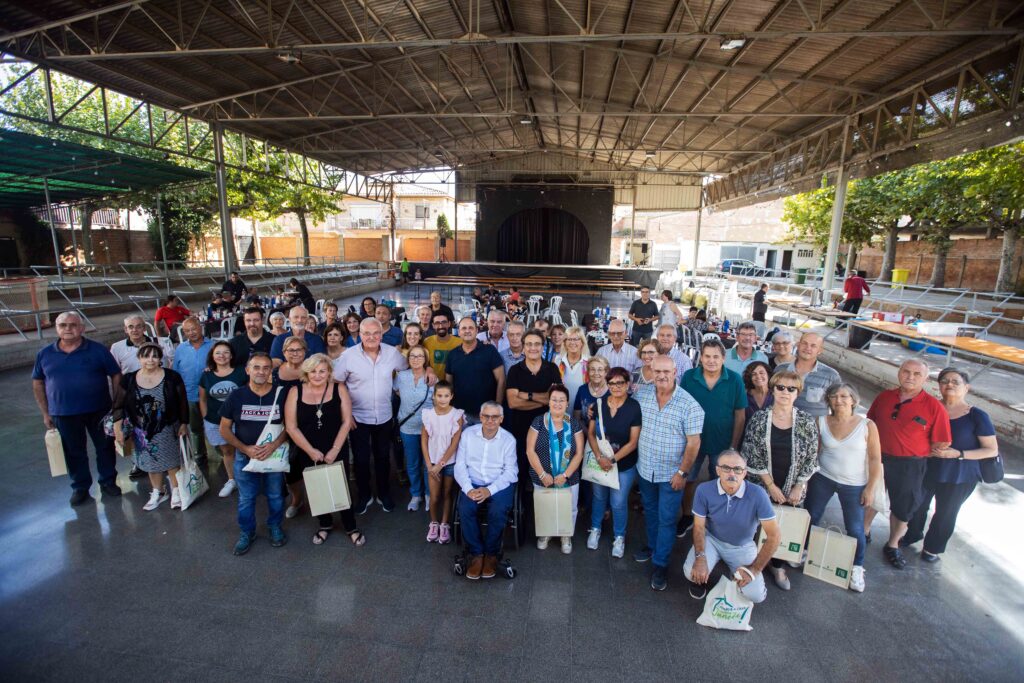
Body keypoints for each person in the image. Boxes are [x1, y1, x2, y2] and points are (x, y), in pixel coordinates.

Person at [904, 368, 998, 563]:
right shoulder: (930, 408)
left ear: (967, 387)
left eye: (956, 381)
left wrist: (959, 454)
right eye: (945, 381)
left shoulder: (976, 416)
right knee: (917, 505)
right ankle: (912, 534)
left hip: (960, 474)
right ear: (939, 385)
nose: (949, 385)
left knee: (946, 512)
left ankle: (932, 548)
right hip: (927, 467)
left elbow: (990, 450)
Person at [866, 359, 952, 570]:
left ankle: (893, 544)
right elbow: (869, 423)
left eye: (916, 374)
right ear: (899, 373)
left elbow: (943, 440)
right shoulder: (885, 397)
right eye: (906, 372)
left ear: (925, 378)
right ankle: (863, 531)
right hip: (878, 457)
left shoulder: (933, 406)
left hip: (910, 464)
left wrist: (920, 450)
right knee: (870, 496)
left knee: (903, 507)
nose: (910, 377)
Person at [32, 311, 122, 506]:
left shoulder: (98, 350)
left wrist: (116, 403)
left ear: (82, 328)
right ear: (56, 329)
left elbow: (116, 374)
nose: (68, 329)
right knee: (74, 451)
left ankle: (108, 481)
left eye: (73, 325)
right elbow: (38, 382)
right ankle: (80, 487)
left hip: (100, 410)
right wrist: (45, 412)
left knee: (105, 446)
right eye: (63, 325)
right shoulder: (45, 354)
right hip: (63, 413)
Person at [743, 369, 819, 591]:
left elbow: (812, 455)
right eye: (781, 387)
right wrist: (770, 486)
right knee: (756, 526)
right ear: (773, 389)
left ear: (798, 393)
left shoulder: (805, 421)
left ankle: (777, 565)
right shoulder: (759, 419)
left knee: (783, 527)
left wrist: (799, 485)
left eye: (791, 389)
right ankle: (753, 565)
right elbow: (751, 453)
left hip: (792, 488)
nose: (785, 392)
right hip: (762, 485)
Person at [633, 356, 704, 591]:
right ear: (651, 371)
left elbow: (694, 444)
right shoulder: (642, 396)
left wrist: (683, 473)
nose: (662, 375)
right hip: (645, 469)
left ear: (675, 372)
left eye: (666, 371)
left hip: (672, 474)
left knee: (666, 519)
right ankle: (653, 547)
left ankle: (661, 564)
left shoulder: (690, 404)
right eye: (657, 371)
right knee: (650, 511)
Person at [804, 383, 882, 592]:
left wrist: (870, 488)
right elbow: (815, 452)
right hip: (824, 477)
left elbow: (875, 459)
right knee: (811, 515)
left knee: (855, 527)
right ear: (828, 400)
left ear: (853, 400)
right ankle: (804, 551)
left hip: (854, 484)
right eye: (834, 396)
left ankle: (857, 567)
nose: (839, 400)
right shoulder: (821, 421)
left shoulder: (867, 425)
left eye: (844, 396)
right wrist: (805, 479)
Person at [333, 318, 412, 514]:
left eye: (375, 333)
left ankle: (384, 494)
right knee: (360, 459)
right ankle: (364, 495)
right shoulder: (348, 356)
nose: (371, 337)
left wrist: (427, 368)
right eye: (366, 333)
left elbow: (408, 369)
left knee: (383, 457)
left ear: (381, 334)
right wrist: (346, 414)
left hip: (384, 416)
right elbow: (337, 383)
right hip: (357, 417)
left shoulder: (392, 353)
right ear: (359, 335)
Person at [284, 353, 362, 547]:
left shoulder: (339, 388)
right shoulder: (295, 391)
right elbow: (291, 427)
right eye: (313, 371)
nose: (317, 375)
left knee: (341, 487)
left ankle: (350, 526)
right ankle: (324, 525)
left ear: (329, 372)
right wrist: (310, 451)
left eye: (322, 371)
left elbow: (346, 422)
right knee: (316, 488)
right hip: (307, 448)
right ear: (306, 373)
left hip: (336, 446)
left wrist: (335, 449)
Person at [683, 450, 779, 604]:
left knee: (756, 596)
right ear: (717, 470)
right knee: (691, 572)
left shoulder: (758, 494)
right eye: (726, 468)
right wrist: (700, 557)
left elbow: (774, 536)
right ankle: (705, 578)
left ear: (745, 472)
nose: (732, 473)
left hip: (742, 546)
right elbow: (699, 527)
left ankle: (736, 572)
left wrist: (754, 569)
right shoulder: (704, 490)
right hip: (712, 540)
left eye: (738, 469)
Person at [219, 353, 290, 555]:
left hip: (273, 456)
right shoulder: (237, 395)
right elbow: (224, 429)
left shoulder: (280, 394)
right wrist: (245, 449)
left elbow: (290, 426)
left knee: (276, 496)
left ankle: (275, 526)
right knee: (246, 498)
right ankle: (246, 532)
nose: (261, 371)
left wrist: (274, 445)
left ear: (271, 371)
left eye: (266, 367)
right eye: (256, 367)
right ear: (248, 370)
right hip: (244, 456)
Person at [679, 338, 748, 536]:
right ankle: (686, 515)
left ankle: (715, 519)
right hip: (694, 441)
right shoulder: (689, 377)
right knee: (689, 478)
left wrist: (733, 446)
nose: (711, 361)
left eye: (716, 357)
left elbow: (740, 415)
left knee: (719, 481)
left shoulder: (734, 379)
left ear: (723, 358)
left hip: (723, 442)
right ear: (700, 357)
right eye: (707, 356)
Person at [112, 343, 189, 510]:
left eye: (155, 356)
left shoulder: (172, 376)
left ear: (160, 358)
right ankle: (158, 492)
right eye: (146, 356)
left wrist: (184, 422)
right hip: (141, 430)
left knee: (172, 461)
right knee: (149, 462)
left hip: (168, 426)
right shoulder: (129, 379)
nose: (150, 360)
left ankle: (176, 490)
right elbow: (118, 405)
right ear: (139, 358)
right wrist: (118, 429)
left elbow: (182, 401)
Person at [454, 402, 518, 580]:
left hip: (498, 484)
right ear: (480, 417)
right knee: (465, 509)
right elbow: (460, 465)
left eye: (495, 417)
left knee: (498, 511)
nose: (490, 420)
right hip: (472, 482)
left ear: (501, 419)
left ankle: (491, 554)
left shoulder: (508, 440)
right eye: (486, 416)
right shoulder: (468, 435)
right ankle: (476, 554)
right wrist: (468, 489)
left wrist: (490, 490)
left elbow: (511, 472)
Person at [586, 367, 642, 557]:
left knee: (618, 502)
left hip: (623, 464)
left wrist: (611, 460)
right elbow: (591, 434)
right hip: (600, 461)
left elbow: (633, 442)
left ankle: (619, 536)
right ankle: (595, 528)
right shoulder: (598, 404)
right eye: (611, 383)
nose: (616, 387)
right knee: (599, 497)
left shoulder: (634, 407)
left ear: (628, 384)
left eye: (620, 383)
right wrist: (599, 457)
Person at [527, 383, 585, 555]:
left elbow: (579, 453)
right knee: (545, 504)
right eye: (554, 400)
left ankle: (565, 535)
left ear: (567, 403)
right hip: (542, 476)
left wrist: (565, 475)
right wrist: (542, 474)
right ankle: (546, 533)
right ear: (548, 401)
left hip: (569, 477)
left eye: (562, 400)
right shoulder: (538, 421)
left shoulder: (573, 424)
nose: (558, 403)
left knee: (570, 507)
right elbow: (530, 450)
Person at [199, 341, 249, 498]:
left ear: (232, 355)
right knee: (227, 451)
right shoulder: (206, 375)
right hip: (216, 421)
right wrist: (206, 416)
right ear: (212, 356)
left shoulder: (241, 372)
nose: (222, 356)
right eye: (218, 353)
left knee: (244, 450)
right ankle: (232, 479)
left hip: (240, 420)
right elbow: (202, 399)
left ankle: (248, 480)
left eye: (226, 352)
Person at [421, 380, 465, 544]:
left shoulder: (457, 415)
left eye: (446, 396)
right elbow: (424, 440)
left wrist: (441, 464)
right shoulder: (428, 415)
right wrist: (429, 465)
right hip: (432, 463)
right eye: (439, 395)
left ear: (451, 396)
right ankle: (434, 523)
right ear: (433, 396)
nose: (442, 399)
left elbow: (455, 442)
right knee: (434, 496)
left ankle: (445, 524)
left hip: (449, 463)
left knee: (447, 494)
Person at [394, 345, 434, 512]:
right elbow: (396, 391)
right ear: (408, 359)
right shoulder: (401, 376)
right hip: (408, 427)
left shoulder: (432, 378)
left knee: (427, 463)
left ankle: (428, 494)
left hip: (427, 429)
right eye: (412, 356)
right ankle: (416, 494)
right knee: (412, 463)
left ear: (425, 360)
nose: (416, 359)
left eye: (420, 356)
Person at [445, 317, 505, 425]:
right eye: (464, 328)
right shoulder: (452, 355)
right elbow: (449, 384)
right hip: (460, 415)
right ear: (459, 332)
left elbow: (501, 380)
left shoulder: (489, 351)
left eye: (470, 328)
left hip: (485, 415)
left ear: (477, 331)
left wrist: (497, 408)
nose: (467, 331)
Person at [172, 317, 213, 465]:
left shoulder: (213, 346)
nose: (192, 333)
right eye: (187, 330)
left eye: (194, 329)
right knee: (195, 427)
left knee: (214, 424)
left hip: (210, 395)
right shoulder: (181, 349)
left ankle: (224, 451)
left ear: (200, 327)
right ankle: (200, 453)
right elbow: (175, 372)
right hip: (189, 395)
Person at [774, 332, 841, 418]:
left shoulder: (831, 375)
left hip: (815, 429)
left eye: (813, 346)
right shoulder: (780, 370)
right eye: (804, 343)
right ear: (798, 345)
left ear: (820, 350)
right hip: (781, 426)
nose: (807, 348)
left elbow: (838, 407)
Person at [555, 326, 590, 410]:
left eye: (576, 339)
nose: (572, 342)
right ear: (565, 343)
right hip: (562, 413)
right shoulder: (558, 361)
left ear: (582, 342)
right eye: (569, 339)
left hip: (582, 415)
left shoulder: (589, 363)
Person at [572, 354, 608, 425]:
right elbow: (577, 418)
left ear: (606, 372)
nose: (596, 373)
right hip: (584, 433)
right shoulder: (582, 389)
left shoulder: (613, 390)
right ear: (588, 372)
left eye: (600, 370)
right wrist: (587, 434)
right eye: (592, 369)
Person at [423, 312, 460, 377]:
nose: (441, 326)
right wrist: (428, 367)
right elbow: (424, 362)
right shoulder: (427, 342)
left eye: (444, 322)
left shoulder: (459, 342)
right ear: (433, 325)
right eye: (437, 323)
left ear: (449, 324)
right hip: (433, 384)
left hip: (454, 384)